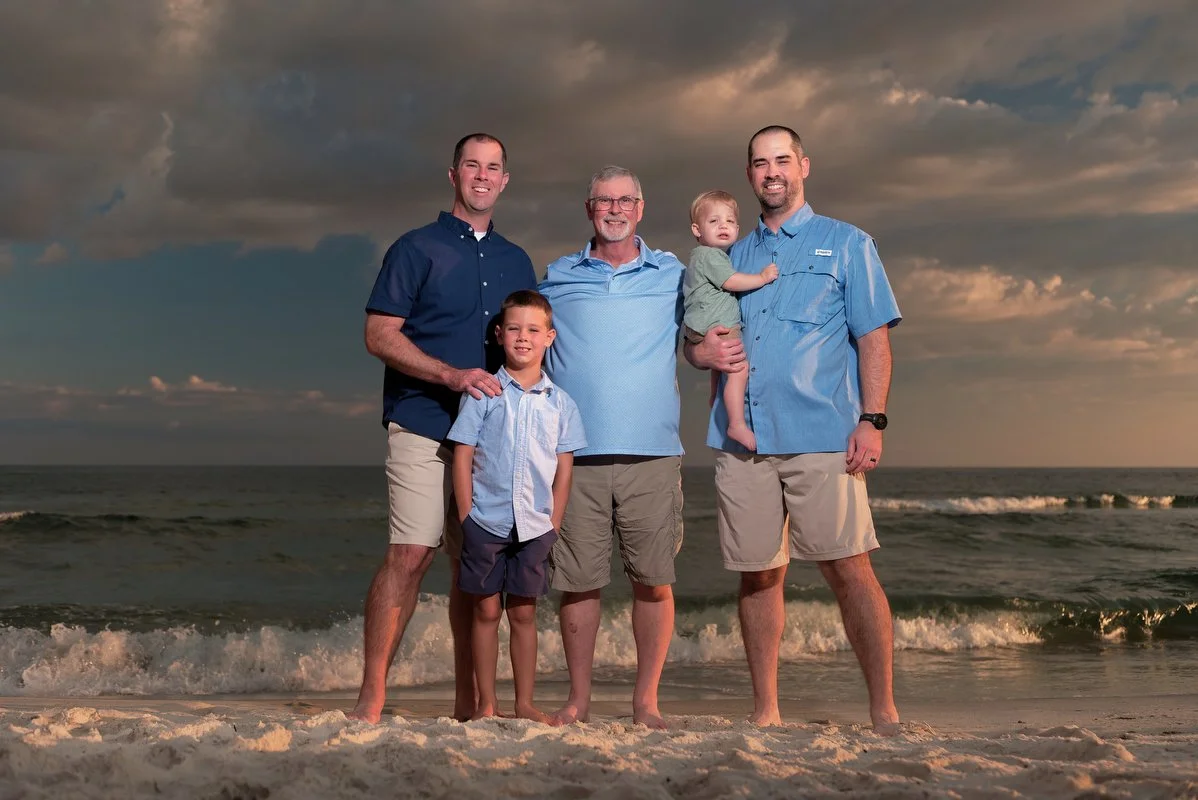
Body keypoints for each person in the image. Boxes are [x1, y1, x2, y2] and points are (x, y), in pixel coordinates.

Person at [686, 125, 903, 733]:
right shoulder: (729, 255)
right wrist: (700, 355)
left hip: (825, 436)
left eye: (783, 159)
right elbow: (696, 341)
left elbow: (873, 341)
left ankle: (883, 711)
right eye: (760, 163)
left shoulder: (849, 243)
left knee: (849, 566)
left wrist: (872, 420)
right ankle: (766, 711)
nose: (772, 171)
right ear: (750, 174)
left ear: (804, 165)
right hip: (743, 441)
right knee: (758, 574)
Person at [350, 133, 537, 724]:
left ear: (505, 180)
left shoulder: (517, 260)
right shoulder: (415, 248)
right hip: (423, 422)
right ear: (453, 174)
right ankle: (371, 697)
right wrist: (449, 375)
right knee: (410, 553)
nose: (483, 176)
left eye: (494, 168)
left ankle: (471, 704)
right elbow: (379, 334)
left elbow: (529, 346)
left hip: (491, 440)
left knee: (475, 570)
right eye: (472, 166)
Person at [538, 166, 686, 729]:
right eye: (605, 201)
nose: (615, 209)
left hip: (652, 453)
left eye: (626, 200)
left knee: (653, 579)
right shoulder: (557, 276)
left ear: (641, 208)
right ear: (589, 208)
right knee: (577, 582)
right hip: (573, 456)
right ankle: (578, 701)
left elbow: (701, 335)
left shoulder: (673, 274)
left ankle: (646, 701)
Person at [447, 290, 587, 723]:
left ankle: (524, 703)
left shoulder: (560, 403)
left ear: (549, 337)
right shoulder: (482, 392)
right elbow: (464, 454)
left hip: (535, 525)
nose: (522, 338)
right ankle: (486, 704)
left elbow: (564, 468)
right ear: (499, 334)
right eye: (514, 329)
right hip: (485, 521)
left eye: (532, 330)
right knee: (486, 609)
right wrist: (467, 515)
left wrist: (554, 522)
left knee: (523, 612)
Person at [683, 190, 779, 451]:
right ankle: (736, 423)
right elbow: (731, 282)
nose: (723, 226)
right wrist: (762, 278)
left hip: (701, 326)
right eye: (713, 221)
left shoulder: (700, 257)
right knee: (738, 368)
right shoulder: (711, 255)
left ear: (737, 227)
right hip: (716, 325)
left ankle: (717, 397)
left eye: (729, 221)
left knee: (720, 365)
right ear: (697, 229)